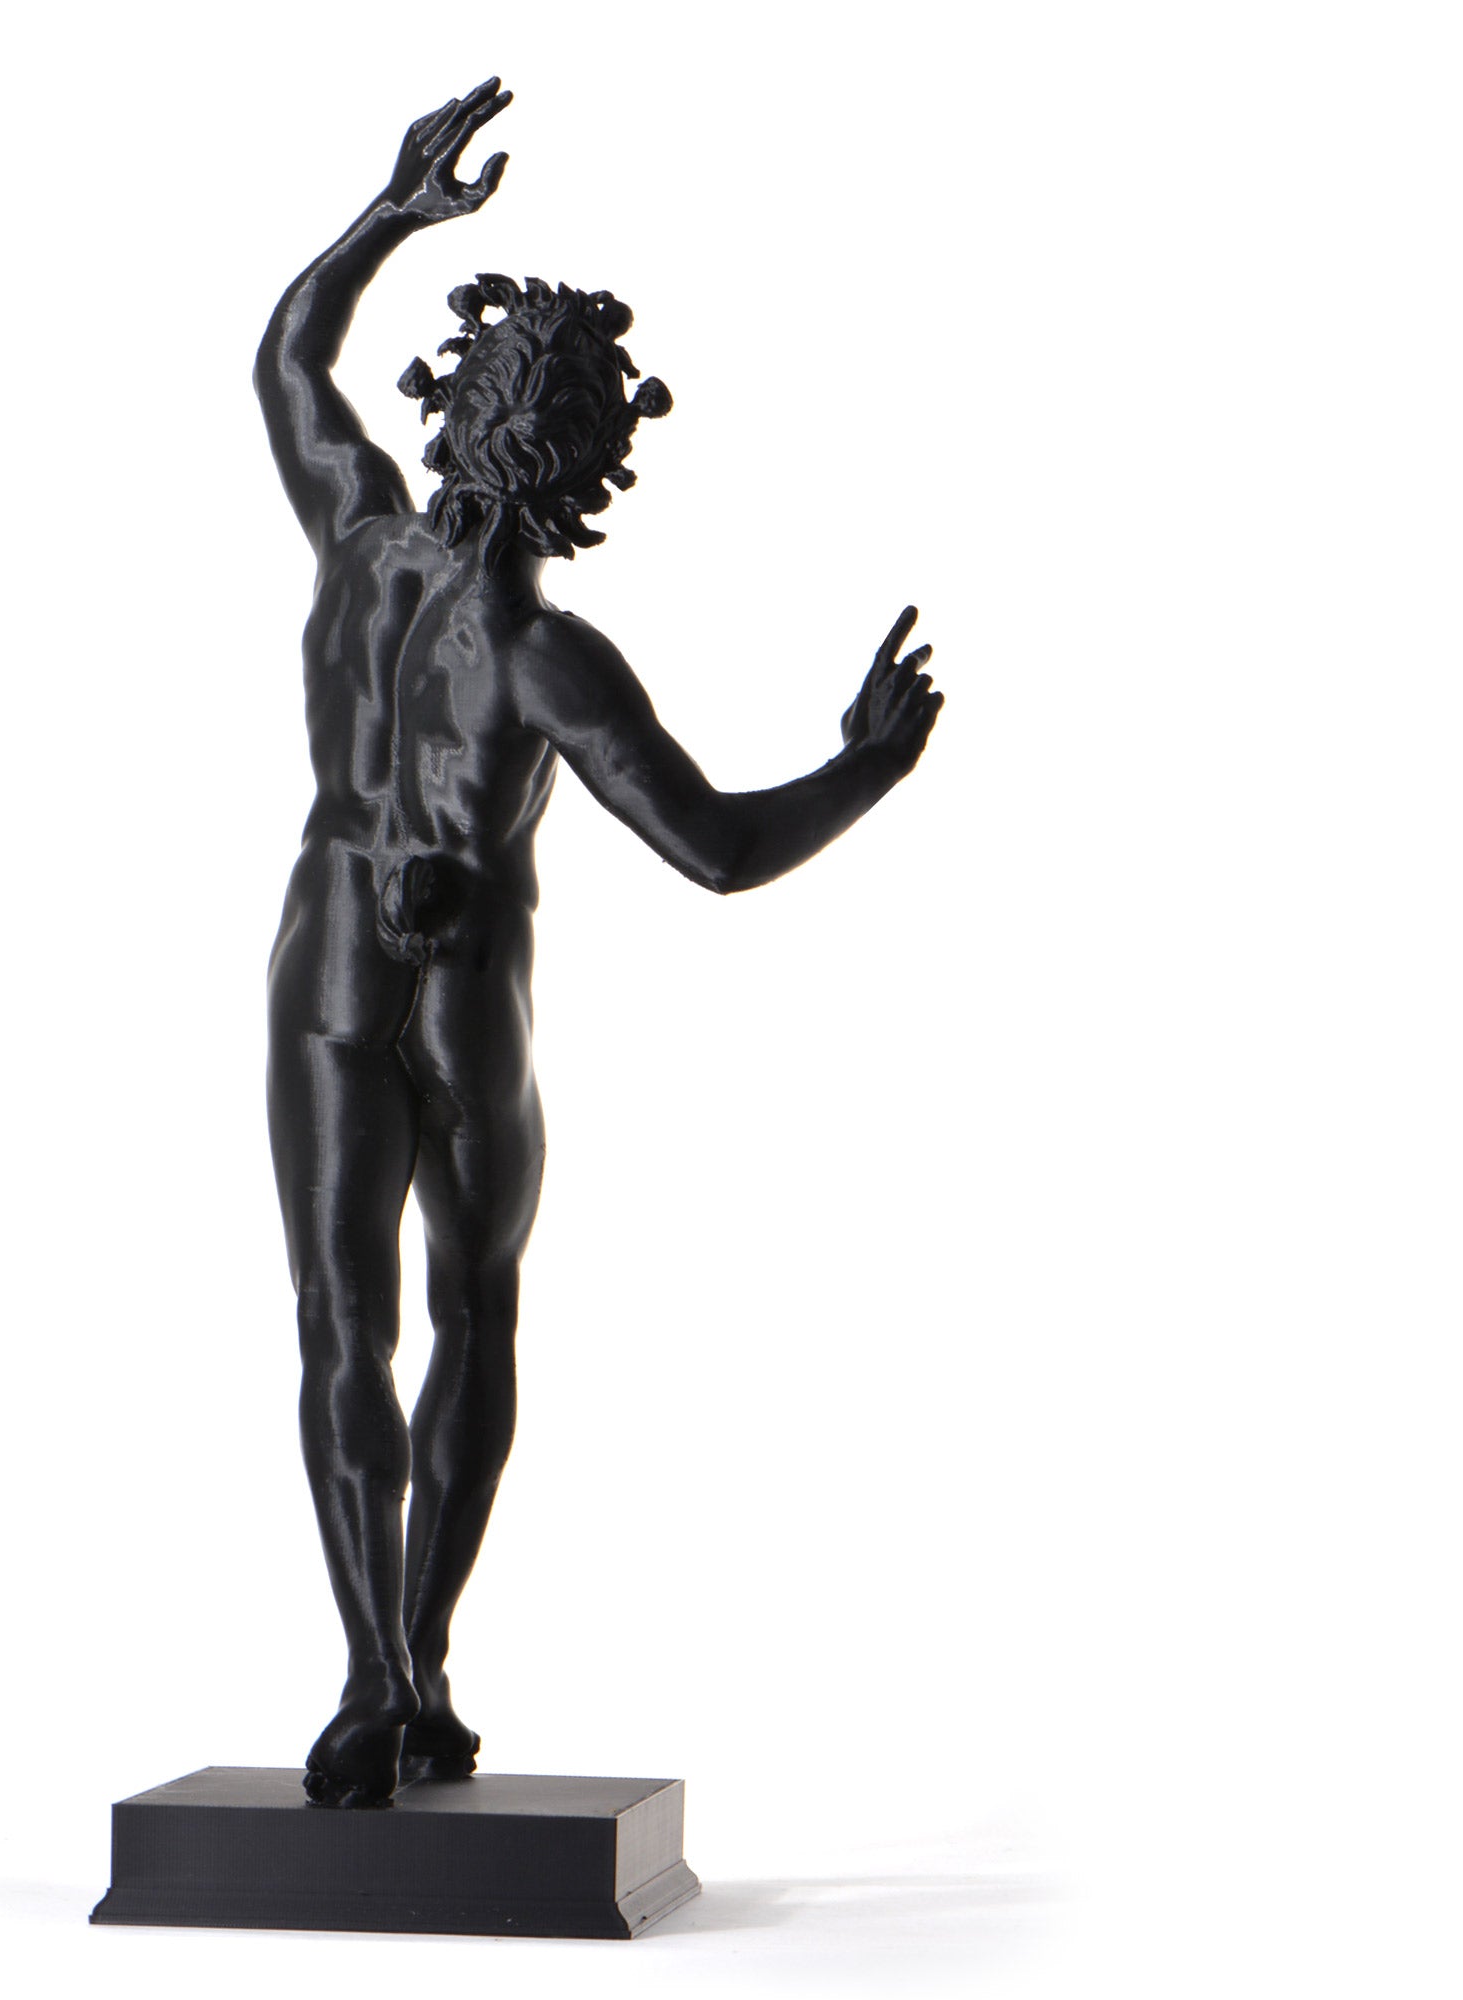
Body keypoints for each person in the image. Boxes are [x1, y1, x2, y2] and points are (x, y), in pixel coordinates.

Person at [254, 78, 943, 1808]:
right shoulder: (546, 658)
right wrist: (865, 765)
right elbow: (718, 850)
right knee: (470, 1312)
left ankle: (379, 1677)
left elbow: (287, 361)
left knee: (343, 1322)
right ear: (587, 467)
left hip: (331, 960)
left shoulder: (358, 544)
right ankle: (411, 1670)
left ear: (455, 402)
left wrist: (391, 215)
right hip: (463, 997)